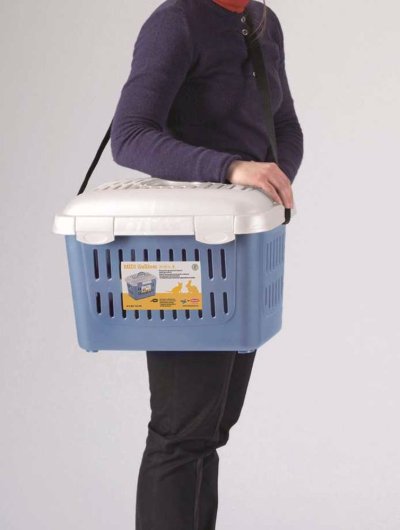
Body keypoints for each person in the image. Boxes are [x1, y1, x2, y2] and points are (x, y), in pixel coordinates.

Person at [110, 0, 304, 528]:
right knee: (180, 432)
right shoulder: (176, 22)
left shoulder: (262, 21)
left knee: (210, 430)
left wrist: (271, 183)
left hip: (242, 245)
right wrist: (232, 168)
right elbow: (130, 134)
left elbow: (284, 125)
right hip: (186, 253)